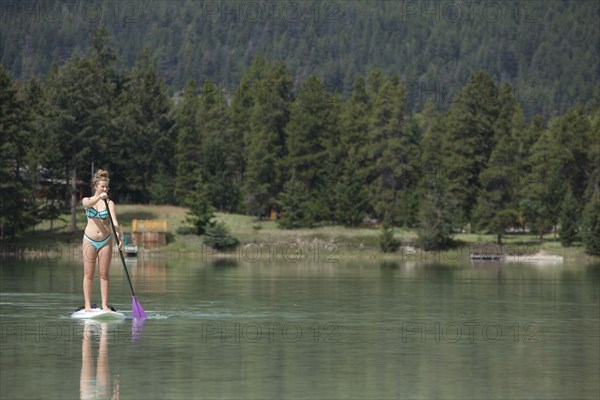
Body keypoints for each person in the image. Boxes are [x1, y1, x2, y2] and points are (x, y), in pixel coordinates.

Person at [82, 169, 122, 313]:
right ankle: (87, 305)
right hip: (89, 241)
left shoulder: (110, 203)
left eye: (106, 187)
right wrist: (100, 197)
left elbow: (114, 222)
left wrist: (118, 235)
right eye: (102, 186)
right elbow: (89, 203)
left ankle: (104, 305)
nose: (105, 189)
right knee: (88, 274)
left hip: (105, 240)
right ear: (96, 186)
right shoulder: (87, 200)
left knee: (104, 274)